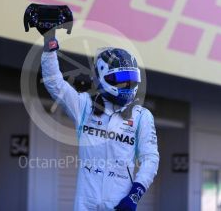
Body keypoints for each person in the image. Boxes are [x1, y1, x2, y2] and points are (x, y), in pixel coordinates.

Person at [39, 28, 159, 211]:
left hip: (120, 205)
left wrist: (134, 195)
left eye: (131, 79)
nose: (126, 85)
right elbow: (54, 83)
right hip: (85, 205)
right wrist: (49, 42)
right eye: (120, 79)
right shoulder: (84, 106)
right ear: (101, 78)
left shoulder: (142, 116)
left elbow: (150, 159)